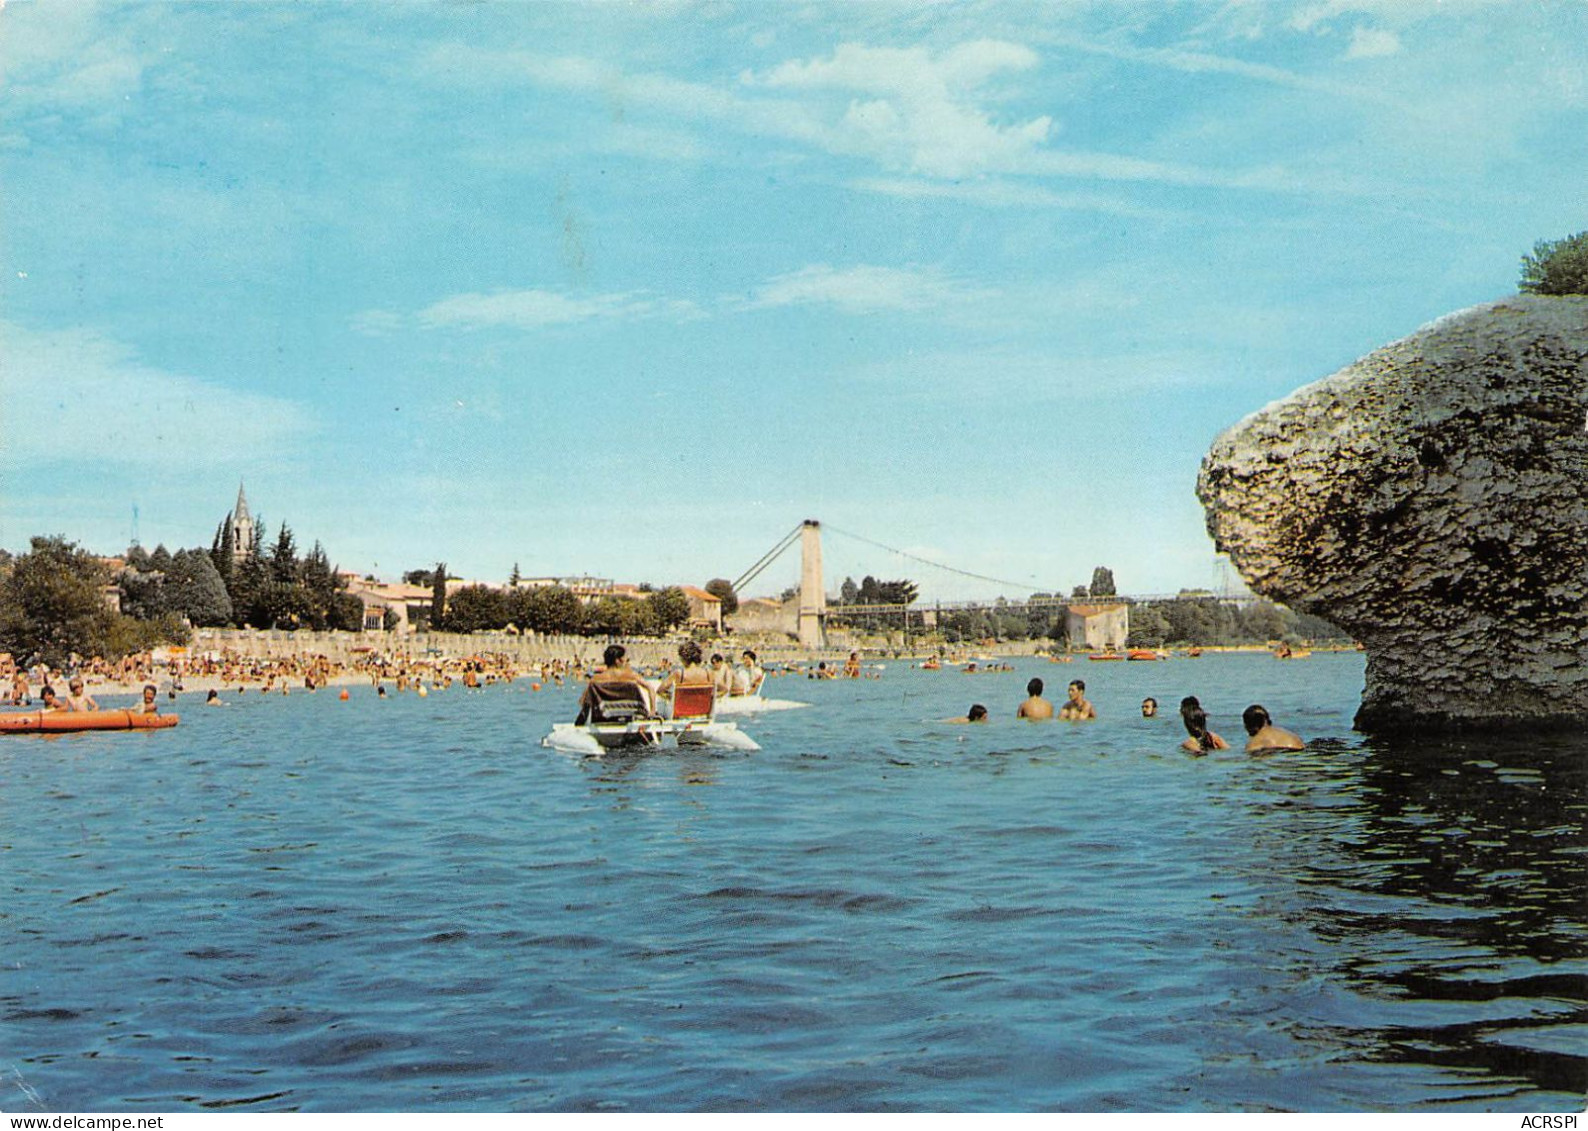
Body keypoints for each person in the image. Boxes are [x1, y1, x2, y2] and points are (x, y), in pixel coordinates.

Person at [576, 644, 659, 724]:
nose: (626, 660)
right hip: (629, 717)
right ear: (617, 660)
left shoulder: (596, 679)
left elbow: (582, 701)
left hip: (603, 719)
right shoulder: (630, 676)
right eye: (624, 658)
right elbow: (650, 689)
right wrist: (652, 711)